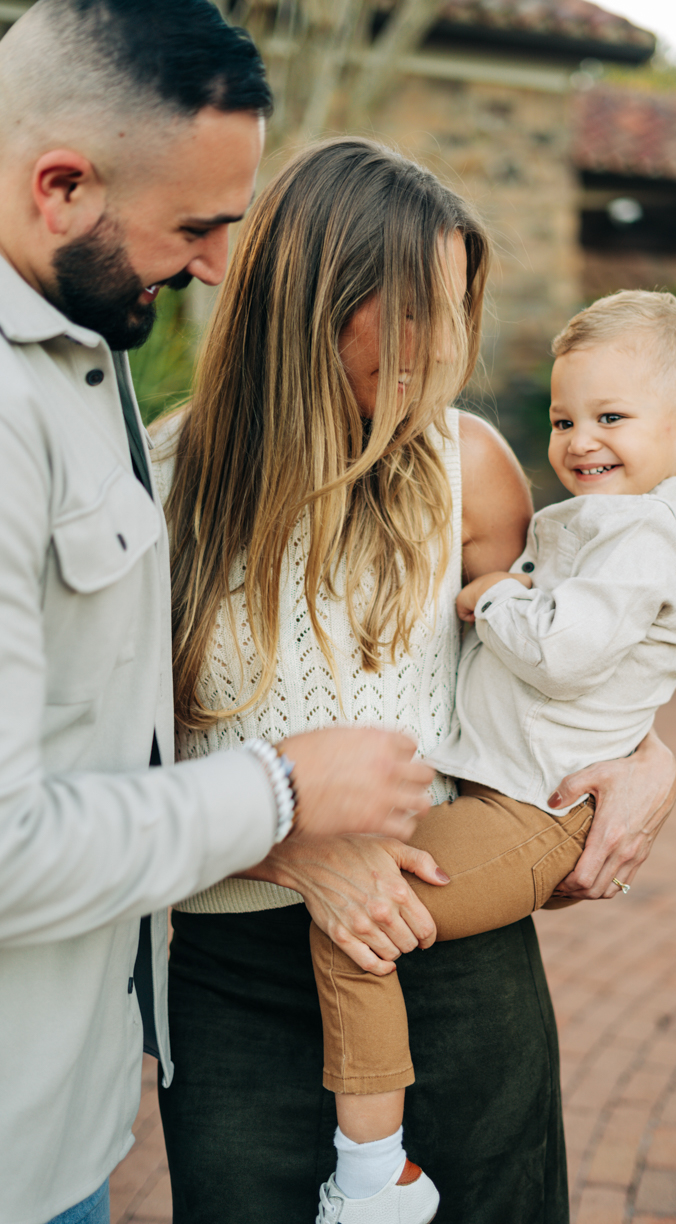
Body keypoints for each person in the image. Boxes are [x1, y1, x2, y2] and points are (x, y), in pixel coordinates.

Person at [155, 138, 676, 1224]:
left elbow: (563, 655)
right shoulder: (159, 487)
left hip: (453, 962)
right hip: (239, 980)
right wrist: (284, 842)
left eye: (456, 308)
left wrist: (647, 758)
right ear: (307, 301)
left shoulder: (470, 466)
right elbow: (97, 774)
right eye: (411, 310)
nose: (443, 347)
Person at [0, 8, 435, 1224]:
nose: (209, 264)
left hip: (58, 1122)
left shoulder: (79, 347)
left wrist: (621, 732)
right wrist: (285, 795)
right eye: (194, 226)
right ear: (62, 186)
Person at [310, 289, 676, 1222]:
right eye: (565, 418)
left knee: (360, 924)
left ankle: (374, 1180)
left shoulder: (643, 536)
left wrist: (491, 595)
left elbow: (567, 652)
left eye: (611, 418)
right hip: (503, 794)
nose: (580, 440)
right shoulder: (611, 519)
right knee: (370, 910)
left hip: (528, 811)